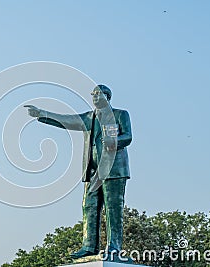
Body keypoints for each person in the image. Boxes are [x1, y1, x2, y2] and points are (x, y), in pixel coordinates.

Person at [25, 85, 132, 260]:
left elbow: (128, 136)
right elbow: (66, 120)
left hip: (113, 169)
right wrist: (41, 114)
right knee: (89, 205)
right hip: (92, 171)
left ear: (108, 97)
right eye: (93, 94)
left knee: (113, 209)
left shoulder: (121, 115)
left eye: (99, 94)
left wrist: (114, 140)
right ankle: (89, 246)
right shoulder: (88, 118)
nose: (95, 97)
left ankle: (113, 247)